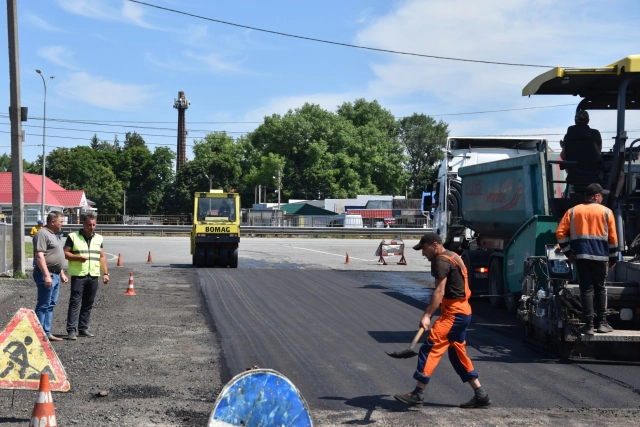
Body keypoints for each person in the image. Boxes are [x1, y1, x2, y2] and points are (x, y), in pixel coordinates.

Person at [394, 232, 490, 408]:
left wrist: (427, 315)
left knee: (430, 347)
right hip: (463, 311)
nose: (423, 253)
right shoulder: (454, 256)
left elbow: (439, 292)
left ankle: (418, 393)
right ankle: (480, 394)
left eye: (424, 249)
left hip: (454, 314)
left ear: (434, 245)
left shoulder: (441, 261)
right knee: (457, 354)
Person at [556, 183, 618, 335]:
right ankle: (602, 323)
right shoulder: (607, 212)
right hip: (601, 257)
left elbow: (560, 234)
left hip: (581, 257)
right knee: (600, 289)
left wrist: (568, 253)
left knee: (586, 290)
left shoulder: (573, 211)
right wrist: (613, 258)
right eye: (601, 195)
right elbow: (613, 239)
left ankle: (588, 325)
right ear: (596, 196)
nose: (603, 197)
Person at [63, 213, 109, 340]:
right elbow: (66, 253)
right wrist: (78, 258)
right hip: (79, 275)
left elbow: (102, 256)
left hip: (93, 274)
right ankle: (71, 330)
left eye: (94, 224)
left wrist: (105, 273)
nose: (92, 227)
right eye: (89, 224)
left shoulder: (99, 238)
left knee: (88, 303)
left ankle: (83, 328)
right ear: (83, 224)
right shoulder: (73, 236)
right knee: (75, 303)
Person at [32, 211, 69, 342]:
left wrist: (62, 273)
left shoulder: (54, 235)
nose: (62, 224)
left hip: (56, 274)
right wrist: (47, 275)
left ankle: (46, 333)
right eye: (61, 221)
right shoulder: (42, 234)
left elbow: (56, 255)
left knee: (51, 304)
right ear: (52, 222)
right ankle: (38, 334)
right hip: (47, 274)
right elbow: (39, 256)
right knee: (43, 304)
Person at [560, 110, 604, 195]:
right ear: (588, 121)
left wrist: (563, 147)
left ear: (575, 121)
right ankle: (615, 197)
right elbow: (598, 152)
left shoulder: (568, 136)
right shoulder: (595, 133)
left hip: (574, 176)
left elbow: (563, 157)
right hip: (593, 175)